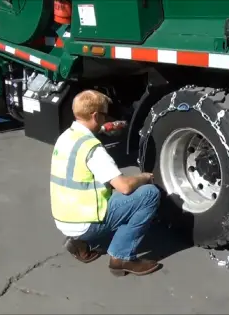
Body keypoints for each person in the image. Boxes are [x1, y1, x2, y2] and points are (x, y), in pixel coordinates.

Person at [50, 89, 162, 277]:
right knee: (149, 194)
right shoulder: (93, 149)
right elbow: (124, 187)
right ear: (95, 115)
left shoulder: (66, 137)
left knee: (113, 188)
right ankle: (121, 257)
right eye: (104, 115)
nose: (105, 119)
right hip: (84, 222)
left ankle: (79, 243)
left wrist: (104, 128)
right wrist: (145, 177)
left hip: (64, 219)